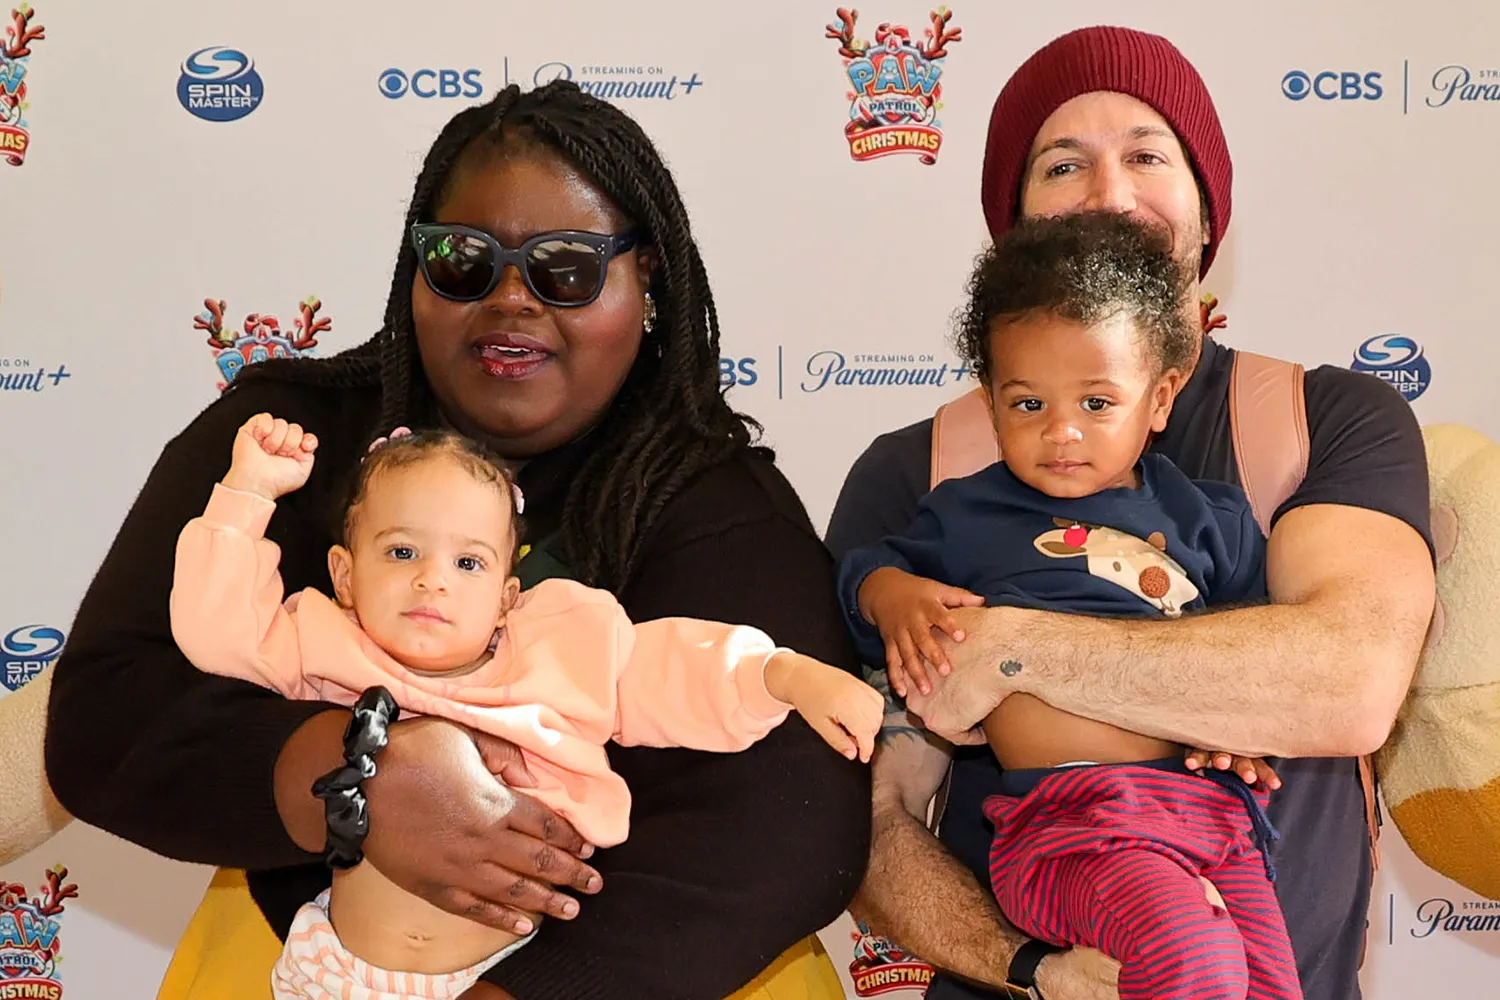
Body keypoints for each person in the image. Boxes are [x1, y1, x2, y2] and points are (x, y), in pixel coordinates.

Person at [46, 80, 870, 1000]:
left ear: (649, 285)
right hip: (312, 946)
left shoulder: (713, 497)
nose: (511, 299)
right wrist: (360, 775)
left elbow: (791, 823)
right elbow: (107, 713)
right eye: (462, 261)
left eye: (567, 267)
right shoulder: (283, 439)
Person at [824, 25, 1434, 1000]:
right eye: (1063, 164)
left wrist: (1010, 649)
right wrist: (1033, 969)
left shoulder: (1325, 424)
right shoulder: (919, 476)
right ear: (1012, 221)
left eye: (1147, 155)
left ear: (1205, 211)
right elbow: (859, 814)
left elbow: (1347, 680)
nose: (1109, 193)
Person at [170, 414, 883, 999]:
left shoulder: (558, 652)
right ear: (344, 576)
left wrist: (785, 675)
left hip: (504, 977)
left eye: (468, 563)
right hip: (336, 975)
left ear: (509, 596)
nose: (432, 582)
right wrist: (245, 494)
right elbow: (217, 630)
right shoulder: (323, 643)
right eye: (400, 553)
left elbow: (671, 669)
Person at [838, 212, 1299, 1000]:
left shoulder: (1209, 520)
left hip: (1214, 822)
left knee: (1268, 985)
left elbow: (1262, 653)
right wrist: (894, 597)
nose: (1060, 433)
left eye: (1096, 403)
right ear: (988, 400)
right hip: (1069, 832)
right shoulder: (963, 516)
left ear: (1159, 399)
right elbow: (866, 575)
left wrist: (1243, 735)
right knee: (1198, 969)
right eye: (1026, 405)